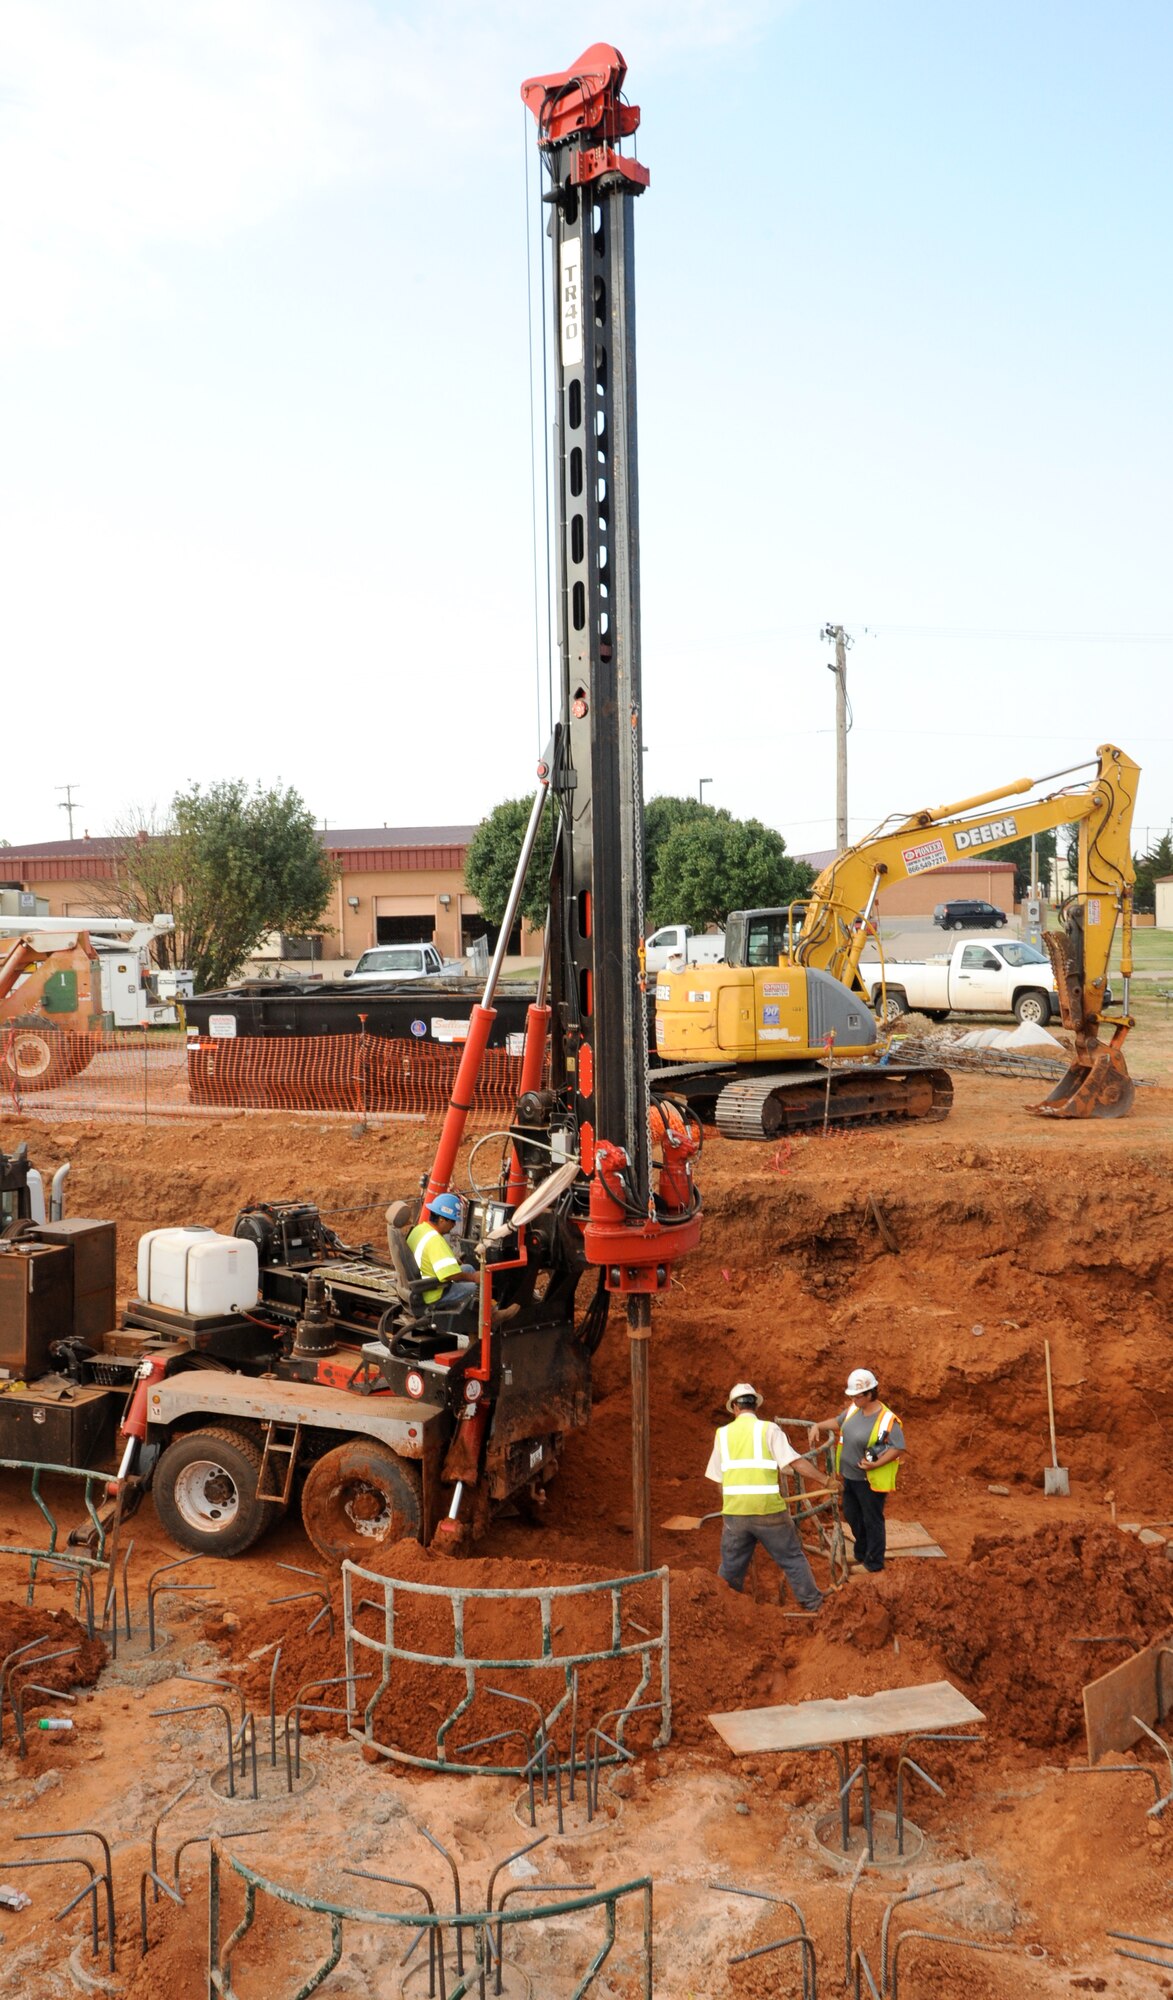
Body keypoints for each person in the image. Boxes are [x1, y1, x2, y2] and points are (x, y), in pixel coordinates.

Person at [705, 1383, 824, 1612]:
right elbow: (795, 1463)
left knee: (731, 1568)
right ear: (754, 1405)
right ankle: (813, 1605)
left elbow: (718, 1480)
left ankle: (722, 1609)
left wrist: (733, 1504)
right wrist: (825, 1480)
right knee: (791, 1558)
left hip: (735, 1514)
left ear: (734, 1408)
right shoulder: (768, 1430)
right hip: (769, 1511)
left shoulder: (723, 1434)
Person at [809, 1369, 905, 1574]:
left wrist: (876, 1464)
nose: (853, 1398)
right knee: (852, 1516)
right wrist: (818, 1425)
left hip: (869, 1480)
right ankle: (862, 1552)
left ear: (871, 1393)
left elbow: (898, 1447)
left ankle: (874, 1562)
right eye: (852, 1395)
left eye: (857, 1395)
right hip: (850, 1477)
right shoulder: (854, 1409)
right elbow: (838, 1422)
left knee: (872, 1520)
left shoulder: (887, 1419)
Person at [406, 1193, 478, 1310]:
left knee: (468, 1268)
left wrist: (454, 1262)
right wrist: (474, 1278)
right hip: (433, 1293)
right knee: (475, 1288)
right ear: (441, 1220)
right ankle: (491, 1319)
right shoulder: (436, 1241)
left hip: (423, 1280)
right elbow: (451, 1275)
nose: (454, 1225)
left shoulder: (419, 1229)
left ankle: (492, 1309)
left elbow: (430, 1255)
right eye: (452, 1221)